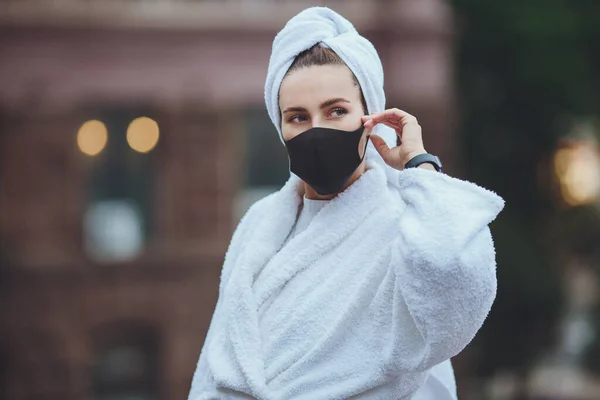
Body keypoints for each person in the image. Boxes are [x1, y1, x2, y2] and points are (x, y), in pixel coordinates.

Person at [188, 6, 504, 400]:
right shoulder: (259, 224)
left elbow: (452, 278)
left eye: (336, 111)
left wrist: (419, 167)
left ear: (368, 118)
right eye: (298, 117)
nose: (317, 129)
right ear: (280, 126)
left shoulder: (404, 228)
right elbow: (218, 359)